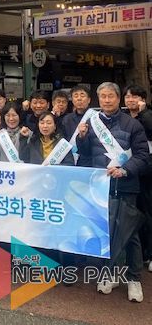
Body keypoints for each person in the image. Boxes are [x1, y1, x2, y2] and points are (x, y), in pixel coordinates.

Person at [76, 82, 149, 302]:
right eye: (103, 96)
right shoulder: (92, 122)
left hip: (126, 186)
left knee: (130, 233)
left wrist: (125, 170)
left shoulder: (132, 124)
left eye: (111, 96)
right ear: (98, 99)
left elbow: (143, 156)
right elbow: (86, 154)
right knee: (105, 232)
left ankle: (134, 278)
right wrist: (81, 138)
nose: (107, 100)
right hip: (101, 188)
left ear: (118, 99)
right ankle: (110, 273)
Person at [123, 84, 152, 271]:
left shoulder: (148, 115)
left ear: (143, 99)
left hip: (147, 172)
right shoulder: (123, 117)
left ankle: (150, 254)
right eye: (127, 96)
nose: (130, 100)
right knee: (132, 214)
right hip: (129, 171)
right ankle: (137, 255)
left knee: (147, 212)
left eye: (135, 96)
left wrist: (144, 113)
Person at [62, 84, 92, 166]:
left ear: (89, 100)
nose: (79, 98)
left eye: (82, 95)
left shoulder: (95, 117)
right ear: (72, 100)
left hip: (90, 161)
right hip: (70, 161)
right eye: (76, 96)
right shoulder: (66, 119)